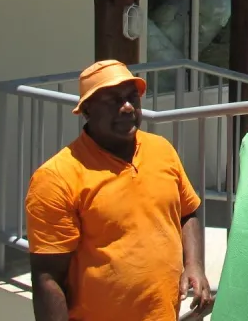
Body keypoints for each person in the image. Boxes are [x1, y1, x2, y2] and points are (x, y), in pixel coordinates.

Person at [24, 60, 215, 320]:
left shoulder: (162, 150)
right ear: (87, 110)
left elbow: (187, 213)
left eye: (131, 97)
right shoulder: (57, 177)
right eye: (112, 100)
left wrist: (194, 265)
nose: (126, 107)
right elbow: (47, 278)